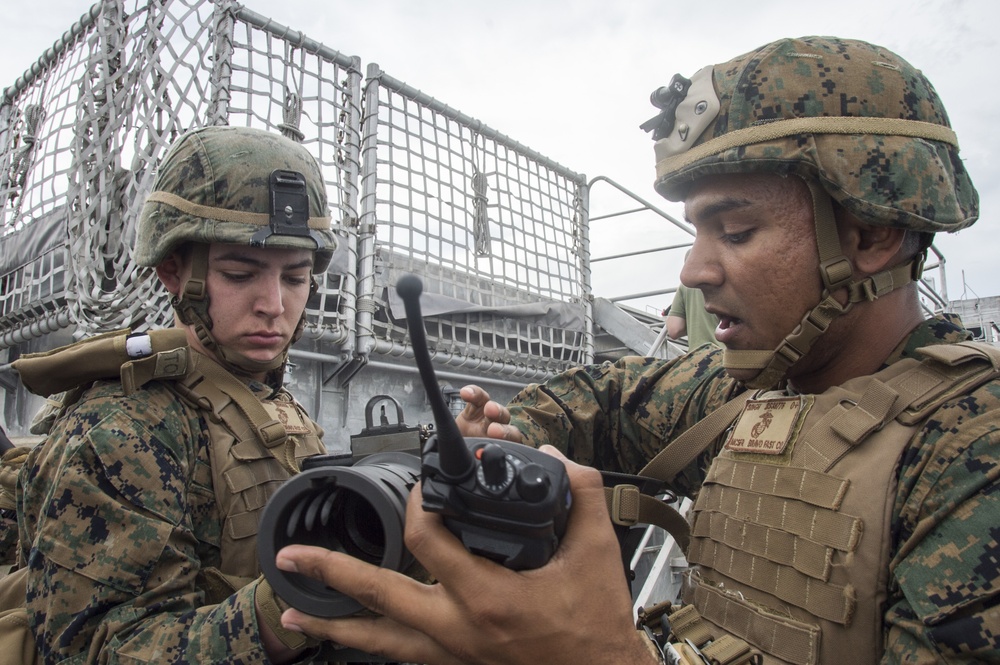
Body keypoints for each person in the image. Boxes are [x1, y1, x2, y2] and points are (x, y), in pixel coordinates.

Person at [269, 36, 999, 664]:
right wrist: (506, 439)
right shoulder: (748, 389)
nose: (692, 271)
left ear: (871, 237)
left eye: (736, 231)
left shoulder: (971, 451)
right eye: (696, 233)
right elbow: (606, 397)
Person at [7, 126, 338, 663]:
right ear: (172, 272)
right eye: (239, 273)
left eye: (296, 278)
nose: (274, 304)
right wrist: (295, 612)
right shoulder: (120, 429)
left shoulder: (267, 399)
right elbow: (97, 651)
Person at [665, 255, 721, 349]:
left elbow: (674, 329)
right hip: (725, 356)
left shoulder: (685, 286)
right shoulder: (724, 281)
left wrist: (693, 324)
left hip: (697, 358)